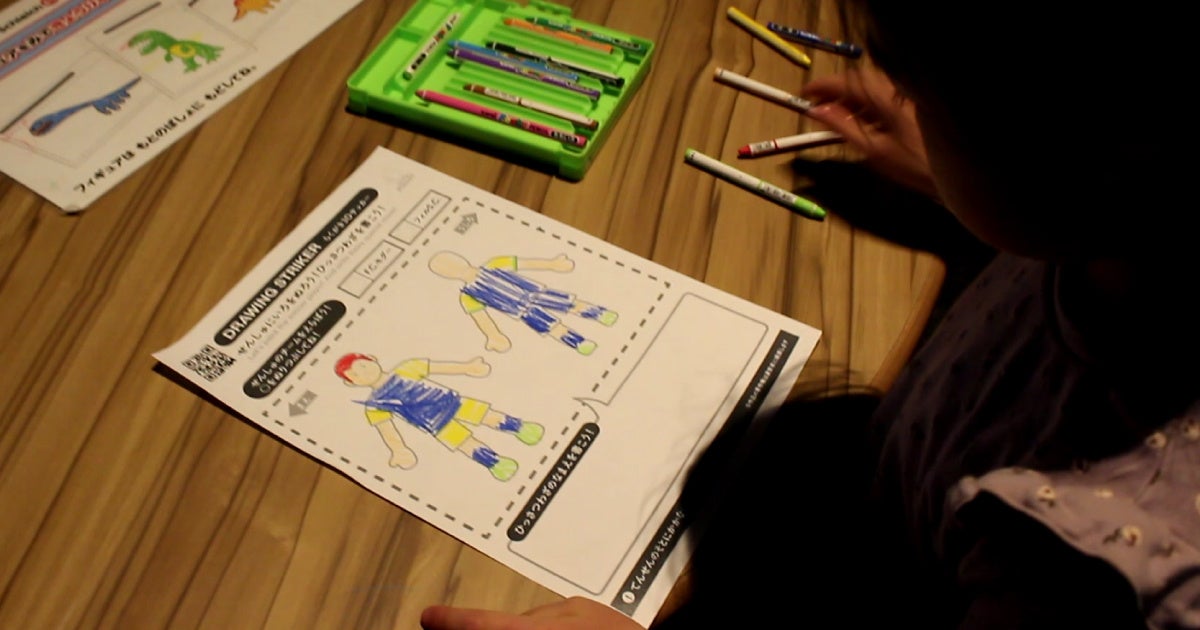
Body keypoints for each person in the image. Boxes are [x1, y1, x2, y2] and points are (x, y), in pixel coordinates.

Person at [421, 2, 1200, 628]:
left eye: (922, 95)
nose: (904, 101)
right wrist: (961, 175)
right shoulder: (1127, 237)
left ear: (1058, 149)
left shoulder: (1077, 573)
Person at [336, 353, 544, 481]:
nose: (363, 373)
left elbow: (439, 367)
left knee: (487, 416)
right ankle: (495, 463)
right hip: (435, 423)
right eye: (355, 375)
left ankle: (519, 428)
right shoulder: (375, 405)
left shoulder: (407, 368)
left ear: (372, 358)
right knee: (465, 444)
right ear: (350, 383)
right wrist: (399, 450)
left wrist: (468, 368)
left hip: (452, 402)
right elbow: (387, 430)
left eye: (362, 366)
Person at [428, 251, 619, 356]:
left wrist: (552, 264)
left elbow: (525, 263)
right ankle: (579, 343)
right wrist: (494, 336)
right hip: (522, 311)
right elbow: (482, 319)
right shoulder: (468, 296)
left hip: (536, 293)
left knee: (570, 304)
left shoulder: (493, 264)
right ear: (447, 275)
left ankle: (599, 313)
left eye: (452, 263)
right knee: (552, 327)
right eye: (447, 269)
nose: (454, 268)